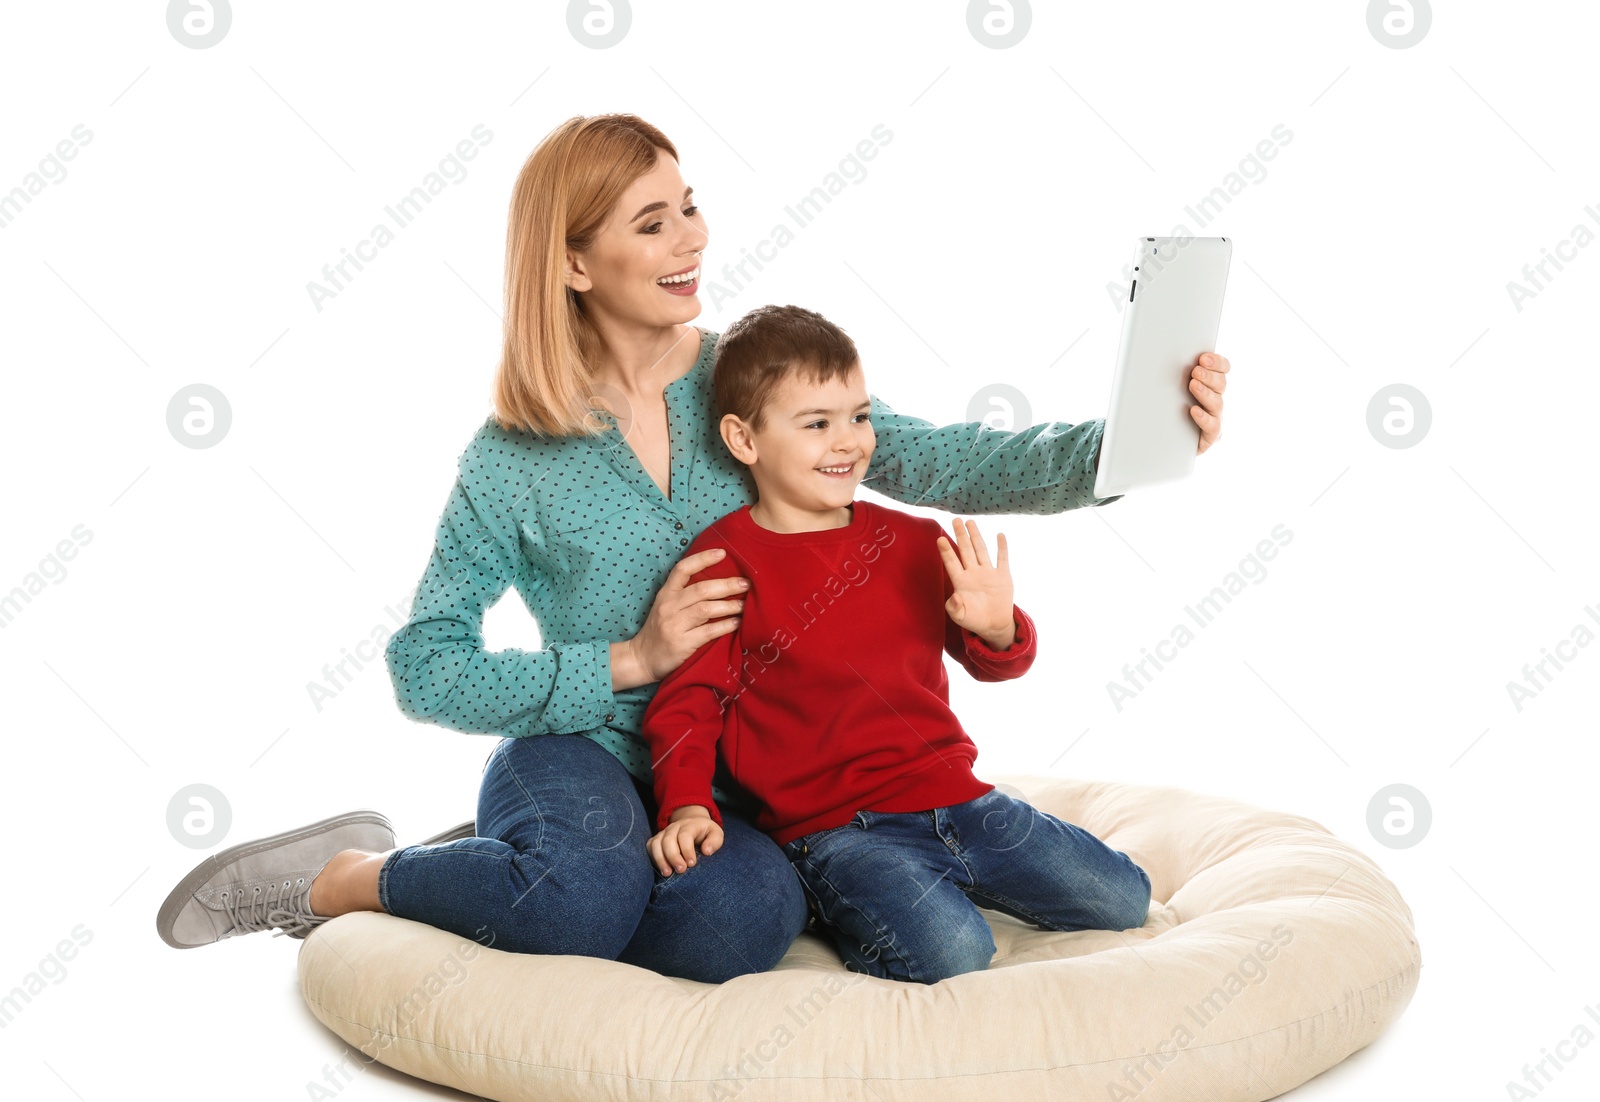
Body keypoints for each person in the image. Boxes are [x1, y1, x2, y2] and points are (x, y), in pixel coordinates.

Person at [153, 113, 1230, 984]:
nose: (693, 241)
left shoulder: (748, 378)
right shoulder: (512, 455)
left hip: (725, 778)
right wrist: (623, 661)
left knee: (741, 926)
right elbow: (425, 662)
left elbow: (943, 459)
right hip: (580, 745)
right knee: (581, 902)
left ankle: (523, 864)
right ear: (574, 262)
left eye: (692, 207)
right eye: (652, 223)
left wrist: (1129, 443)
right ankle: (356, 872)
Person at [639, 305, 1155, 984]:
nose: (849, 441)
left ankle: (944, 876)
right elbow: (689, 702)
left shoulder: (910, 541)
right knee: (954, 951)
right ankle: (848, 903)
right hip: (835, 830)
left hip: (959, 799)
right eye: (817, 423)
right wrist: (686, 804)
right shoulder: (724, 562)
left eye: (858, 415)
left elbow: (997, 658)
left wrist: (997, 625)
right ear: (744, 439)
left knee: (1126, 897)